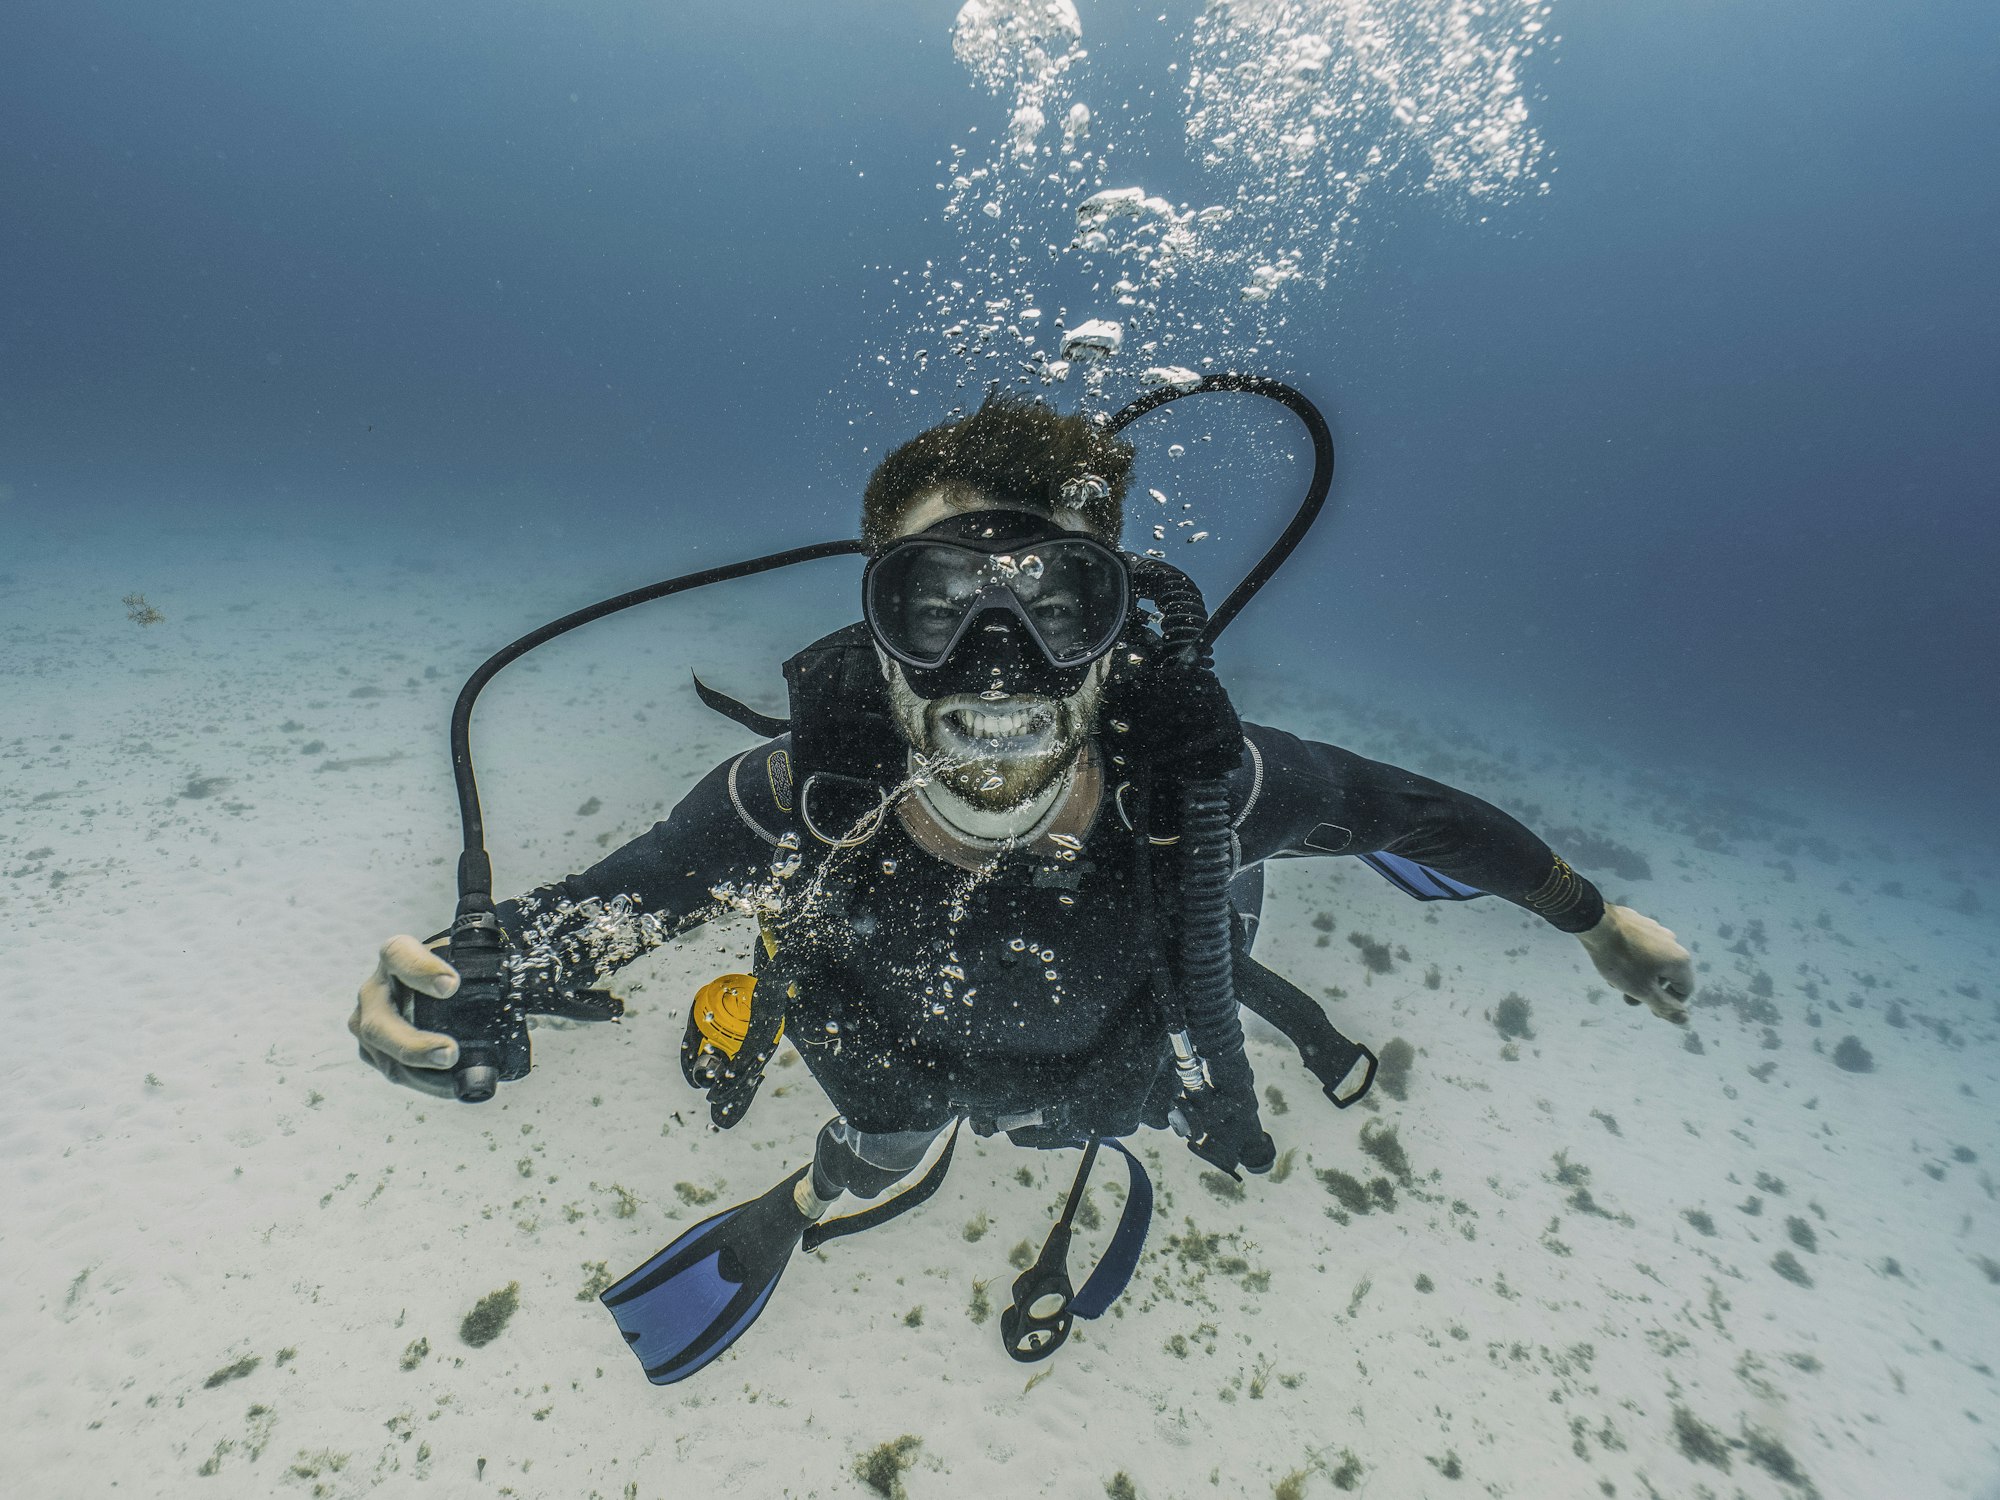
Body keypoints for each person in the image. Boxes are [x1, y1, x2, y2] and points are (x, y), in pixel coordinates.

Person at [350, 393, 1694, 1382]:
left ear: (1116, 624)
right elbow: (614, 906)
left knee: (1098, 1116)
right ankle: (855, 1175)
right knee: (881, 1134)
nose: (999, 662)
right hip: (889, 1064)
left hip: (1110, 1072)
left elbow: (1422, 816)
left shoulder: (1204, 791)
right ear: (878, 624)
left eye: (1056, 603)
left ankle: (924, 1165)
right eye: (940, 607)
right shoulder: (791, 800)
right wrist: (467, 976)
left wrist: (1592, 919)